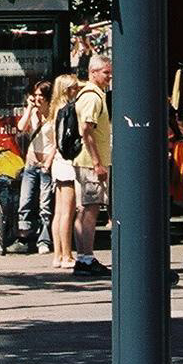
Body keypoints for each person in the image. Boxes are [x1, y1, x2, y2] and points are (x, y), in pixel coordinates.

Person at [73, 53, 112, 278]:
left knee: (87, 209)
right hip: (90, 163)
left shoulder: (93, 95)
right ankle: (85, 258)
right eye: (106, 73)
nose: (109, 77)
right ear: (93, 72)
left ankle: (84, 256)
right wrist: (98, 163)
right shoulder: (93, 97)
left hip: (88, 161)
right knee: (90, 210)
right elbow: (86, 131)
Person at [9, 79, 54, 254]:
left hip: (45, 165)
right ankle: (24, 237)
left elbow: (56, 142)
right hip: (31, 163)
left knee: (45, 204)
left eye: (40, 96)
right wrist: (29, 108)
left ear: (48, 97)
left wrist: (49, 161)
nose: (37, 99)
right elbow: (21, 127)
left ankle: (44, 240)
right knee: (25, 201)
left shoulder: (54, 114)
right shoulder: (34, 113)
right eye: (35, 95)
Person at [47, 74, 81, 270]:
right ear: (67, 89)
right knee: (67, 211)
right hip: (67, 162)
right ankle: (67, 254)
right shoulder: (67, 110)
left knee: (59, 212)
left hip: (58, 162)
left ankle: (58, 255)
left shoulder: (54, 110)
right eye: (74, 87)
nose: (76, 90)